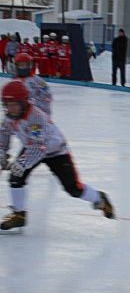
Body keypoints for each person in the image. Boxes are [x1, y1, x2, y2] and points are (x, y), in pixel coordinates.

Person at [0, 80, 115, 233]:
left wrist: (21, 164)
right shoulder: (9, 117)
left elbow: (39, 147)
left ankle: (99, 198)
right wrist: (2, 153)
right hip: (31, 146)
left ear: (24, 102)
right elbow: (4, 134)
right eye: (7, 104)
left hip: (55, 151)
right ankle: (19, 215)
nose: (11, 109)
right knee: (15, 178)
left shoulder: (36, 118)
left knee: (73, 189)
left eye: (14, 104)